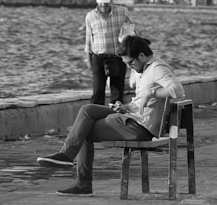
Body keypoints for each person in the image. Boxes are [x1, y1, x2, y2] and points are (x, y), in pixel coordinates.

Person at [37, 36, 185, 196]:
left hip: (140, 128)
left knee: (82, 130)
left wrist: (151, 92)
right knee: (88, 110)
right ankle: (66, 157)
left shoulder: (158, 68)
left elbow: (177, 91)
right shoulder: (144, 69)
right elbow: (142, 103)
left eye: (131, 63)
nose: (129, 67)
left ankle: (79, 179)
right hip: (131, 117)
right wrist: (126, 107)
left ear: (141, 56)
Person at [84, 0, 135, 105]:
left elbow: (133, 30)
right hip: (98, 57)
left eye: (106, 3)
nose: (103, 5)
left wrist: (129, 47)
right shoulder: (90, 16)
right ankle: (96, 116)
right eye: (101, 3)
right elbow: (88, 39)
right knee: (97, 91)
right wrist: (88, 59)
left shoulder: (122, 12)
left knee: (117, 92)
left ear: (111, 1)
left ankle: (115, 118)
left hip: (118, 57)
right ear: (97, 2)